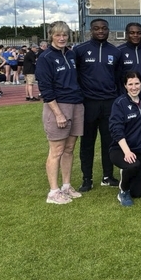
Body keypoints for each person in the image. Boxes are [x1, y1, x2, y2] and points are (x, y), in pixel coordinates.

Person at [35, 21, 84, 205]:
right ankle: (53, 192)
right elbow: (46, 89)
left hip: (76, 104)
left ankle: (66, 185)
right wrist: (58, 113)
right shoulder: (45, 57)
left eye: (65, 35)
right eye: (58, 35)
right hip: (58, 106)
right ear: (51, 36)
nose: (62, 38)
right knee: (56, 150)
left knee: (69, 149)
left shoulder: (71, 54)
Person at [73, 18, 121, 191]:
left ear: (108, 30)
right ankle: (87, 179)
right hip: (88, 103)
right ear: (91, 30)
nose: (100, 31)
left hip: (109, 103)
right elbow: (75, 76)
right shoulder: (80, 50)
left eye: (104, 28)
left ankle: (108, 176)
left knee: (109, 141)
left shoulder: (115, 52)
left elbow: (118, 78)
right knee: (87, 142)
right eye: (96, 28)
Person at [109, 71, 141, 206]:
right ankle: (123, 191)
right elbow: (116, 129)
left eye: (137, 83)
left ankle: (130, 177)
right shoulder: (119, 103)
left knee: (138, 193)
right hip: (121, 149)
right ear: (125, 86)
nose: (134, 87)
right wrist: (126, 151)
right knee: (133, 165)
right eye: (130, 84)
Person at [118, 22, 141, 94]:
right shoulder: (119, 51)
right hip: (127, 95)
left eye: (139, 33)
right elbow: (118, 76)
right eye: (132, 33)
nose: (135, 35)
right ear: (127, 34)